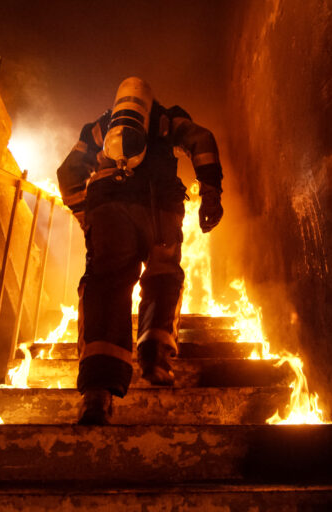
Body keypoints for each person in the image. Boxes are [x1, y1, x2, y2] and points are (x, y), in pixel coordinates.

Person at [57, 77, 223, 425]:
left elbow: (69, 171)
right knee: (163, 276)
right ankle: (155, 357)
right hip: (160, 210)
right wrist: (210, 193)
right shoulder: (167, 119)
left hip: (109, 213)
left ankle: (97, 395)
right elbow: (202, 141)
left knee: (106, 287)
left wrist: (86, 216)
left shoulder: (100, 127)